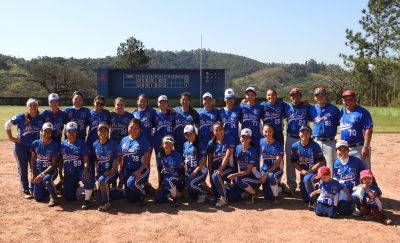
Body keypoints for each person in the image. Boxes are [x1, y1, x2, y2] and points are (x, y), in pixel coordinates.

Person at [5, 98, 44, 199]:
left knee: (34, 168)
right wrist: (11, 138)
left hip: (34, 148)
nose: (33, 107)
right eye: (30, 105)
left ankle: (33, 187)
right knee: (23, 169)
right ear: (27, 107)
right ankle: (25, 189)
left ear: (37, 106)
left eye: (34, 105)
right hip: (21, 147)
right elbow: (7, 124)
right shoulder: (21, 117)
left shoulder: (41, 118)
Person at [59, 122, 94, 210]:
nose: (71, 134)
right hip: (69, 173)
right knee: (69, 198)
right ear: (66, 133)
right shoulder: (62, 144)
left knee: (88, 177)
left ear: (76, 132)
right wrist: (60, 173)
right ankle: (80, 189)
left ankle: (87, 200)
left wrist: (86, 169)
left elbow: (86, 158)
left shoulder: (81, 143)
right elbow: (60, 160)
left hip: (80, 170)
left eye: (73, 131)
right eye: (69, 131)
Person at [284, 87, 311, 195]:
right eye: (293, 95)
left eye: (298, 95)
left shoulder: (307, 107)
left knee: (305, 160)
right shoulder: (286, 107)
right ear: (290, 97)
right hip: (290, 137)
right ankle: (291, 185)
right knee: (290, 162)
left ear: (301, 96)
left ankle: (304, 184)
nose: (295, 97)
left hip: (303, 138)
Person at [119, 118, 152, 206]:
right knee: (131, 199)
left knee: (131, 183)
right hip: (127, 169)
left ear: (139, 129)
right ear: (128, 127)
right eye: (131, 127)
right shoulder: (124, 140)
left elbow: (147, 159)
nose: (133, 130)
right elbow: (121, 157)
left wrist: (139, 171)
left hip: (141, 169)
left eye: (136, 128)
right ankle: (145, 188)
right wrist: (121, 172)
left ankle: (145, 194)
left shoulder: (143, 140)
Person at [291, 125, 323, 210]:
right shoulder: (295, 146)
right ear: (299, 133)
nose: (304, 135)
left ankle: (312, 201)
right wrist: (301, 170)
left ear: (310, 135)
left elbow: (320, 162)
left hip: (314, 172)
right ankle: (314, 189)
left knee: (307, 179)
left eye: (307, 133)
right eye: (302, 132)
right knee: (305, 199)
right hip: (304, 173)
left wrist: (309, 171)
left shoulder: (315, 146)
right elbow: (293, 162)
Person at [340, 90, 373, 169]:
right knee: (349, 171)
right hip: (344, 148)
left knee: (364, 172)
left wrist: (366, 146)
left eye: (350, 99)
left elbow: (369, 129)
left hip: (359, 147)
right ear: (342, 101)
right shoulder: (342, 111)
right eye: (345, 100)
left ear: (355, 99)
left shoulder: (362, 112)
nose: (348, 102)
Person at [93, 124, 123, 211]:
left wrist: (113, 169)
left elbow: (118, 158)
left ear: (108, 132)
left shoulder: (113, 144)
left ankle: (106, 203)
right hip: (101, 172)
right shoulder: (95, 144)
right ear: (97, 133)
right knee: (102, 193)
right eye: (101, 131)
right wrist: (96, 172)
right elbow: (96, 160)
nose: (103, 133)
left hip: (111, 172)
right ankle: (120, 194)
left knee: (102, 181)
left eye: (105, 131)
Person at [309, 87, 340, 173]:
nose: (320, 97)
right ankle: (317, 184)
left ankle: (331, 185)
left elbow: (339, 123)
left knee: (331, 166)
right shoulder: (312, 109)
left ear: (326, 96)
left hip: (329, 142)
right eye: (317, 96)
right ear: (314, 97)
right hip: (316, 141)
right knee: (315, 165)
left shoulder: (334, 109)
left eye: (322, 95)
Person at [226, 128, 261, 204]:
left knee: (238, 179)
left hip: (255, 178)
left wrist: (235, 175)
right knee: (232, 197)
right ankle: (245, 192)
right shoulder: (238, 148)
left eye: (247, 138)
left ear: (250, 139)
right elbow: (239, 164)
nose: (245, 139)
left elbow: (248, 171)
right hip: (243, 178)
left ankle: (253, 192)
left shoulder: (252, 151)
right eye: (243, 137)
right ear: (240, 137)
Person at [207, 121, 236, 207]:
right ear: (213, 132)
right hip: (217, 170)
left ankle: (224, 198)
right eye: (216, 130)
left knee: (216, 175)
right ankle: (228, 188)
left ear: (224, 129)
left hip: (229, 168)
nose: (219, 131)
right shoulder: (211, 143)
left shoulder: (229, 139)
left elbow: (228, 156)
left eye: (221, 129)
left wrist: (220, 169)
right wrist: (210, 174)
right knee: (216, 194)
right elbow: (210, 161)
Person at [30, 123, 59, 206]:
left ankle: (53, 196)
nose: (47, 134)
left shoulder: (54, 145)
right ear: (41, 131)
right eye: (45, 131)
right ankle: (56, 187)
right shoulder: (35, 143)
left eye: (49, 132)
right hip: (38, 170)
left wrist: (42, 174)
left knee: (46, 179)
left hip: (50, 171)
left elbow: (53, 164)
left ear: (52, 133)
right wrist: (33, 173)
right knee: (38, 198)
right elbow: (33, 159)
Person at [333, 140, 366, 215]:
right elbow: (336, 177)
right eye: (340, 150)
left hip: (356, 188)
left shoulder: (356, 161)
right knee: (343, 210)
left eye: (345, 150)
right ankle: (350, 203)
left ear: (348, 150)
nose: (342, 152)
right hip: (344, 189)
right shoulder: (336, 163)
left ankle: (357, 206)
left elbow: (364, 173)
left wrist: (362, 186)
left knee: (356, 196)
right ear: (336, 151)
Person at [108, 97, 134, 189]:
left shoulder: (129, 116)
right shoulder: (111, 115)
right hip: (113, 140)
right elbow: (107, 126)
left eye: (121, 104)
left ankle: (121, 180)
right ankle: (113, 181)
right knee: (114, 161)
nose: (120, 106)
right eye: (118, 104)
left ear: (124, 105)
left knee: (122, 162)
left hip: (124, 140)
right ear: (114, 106)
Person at [154, 135, 185, 207]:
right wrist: (160, 185)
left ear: (173, 145)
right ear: (162, 144)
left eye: (170, 144)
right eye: (166, 143)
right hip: (167, 182)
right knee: (158, 199)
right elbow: (160, 171)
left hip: (176, 180)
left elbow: (182, 173)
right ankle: (172, 193)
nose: (168, 145)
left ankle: (176, 197)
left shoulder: (177, 155)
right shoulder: (160, 155)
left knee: (168, 179)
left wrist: (180, 189)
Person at [260, 123, 285, 206]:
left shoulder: (278, 145)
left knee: (271, 176)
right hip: (265, 169)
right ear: (262, 132)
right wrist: (262, 172)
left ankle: (276, 198)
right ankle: (281, 188)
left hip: (276, 169)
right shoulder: (261, 142)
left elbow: (278, 163)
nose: (268, 134)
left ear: (273, 132)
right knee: (267, 196)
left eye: (270, 131)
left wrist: (266, 173)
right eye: (265, 131)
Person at [87, 95, 110, 182]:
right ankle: (92, 183)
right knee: (91, 162)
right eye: (97, 103)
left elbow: (111, 123)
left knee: (104, 161)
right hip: (91, 142)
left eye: (102, 104)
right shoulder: (89, 114)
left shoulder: (107, 113)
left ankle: (105, 181)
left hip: (104, 143)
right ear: (94, 103)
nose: (99, 105)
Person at [182, 125, 208, 203]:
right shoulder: (185, 144)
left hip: (200, 171)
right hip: (190, 171)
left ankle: (203, 193)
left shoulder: (200, 144)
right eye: (187, 134)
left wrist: (195, 171)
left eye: (191, 133)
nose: (189, 136)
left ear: (195, 133)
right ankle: (201, 185)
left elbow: (203, 160)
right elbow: (185, 159)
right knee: (192, 196)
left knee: (190, 184)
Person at [239, 87, 263, 157]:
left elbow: (263, 118)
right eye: (248, 95)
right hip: (245, 136)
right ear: (245, 96)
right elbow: (240, 120)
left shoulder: (259, 107)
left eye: (252, 94)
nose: (250, 96)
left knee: (256, 156)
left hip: (256, 135)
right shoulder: (241, 106)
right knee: (244, 156)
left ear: (256, 95)